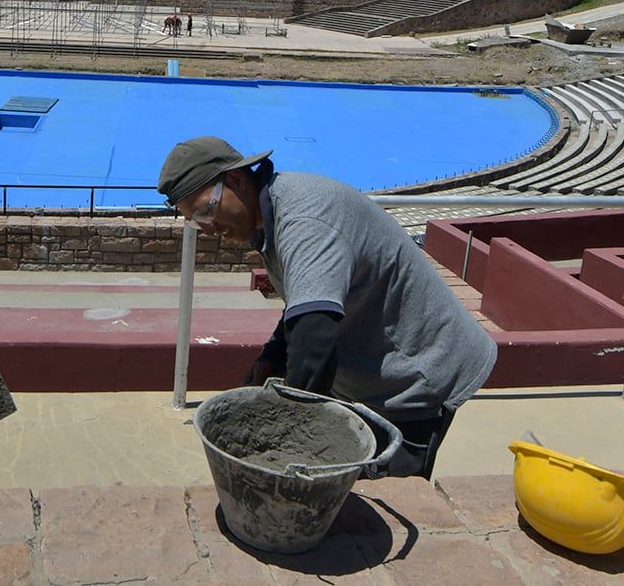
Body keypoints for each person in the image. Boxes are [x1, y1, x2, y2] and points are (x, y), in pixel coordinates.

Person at [158, 136, 498, 480]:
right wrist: (272, 357)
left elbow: (314, 342)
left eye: (205, 210)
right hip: (369, 371)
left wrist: (285, 444)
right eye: (195, 221)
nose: (209, 228)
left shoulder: (306, 221)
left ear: (235, 180)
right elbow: (305, 300)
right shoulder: (272, 213)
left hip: (417, 374)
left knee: (385, 497)